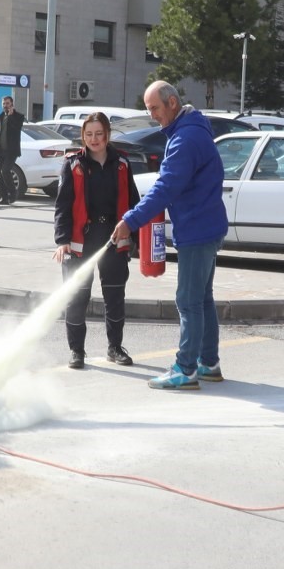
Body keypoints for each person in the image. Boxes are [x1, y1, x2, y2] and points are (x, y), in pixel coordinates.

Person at [112, 81, 228, 390]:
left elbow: (165, 188)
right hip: (208, 225)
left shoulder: (185, 140)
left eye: (155, 109)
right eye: (149, 109)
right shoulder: (193, 129)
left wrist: (130, 220)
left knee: (188, 301)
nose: (152, 116)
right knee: (202, 298)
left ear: (172, 103)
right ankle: (208, 362)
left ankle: (186, 369)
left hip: (197, 230)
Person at [52, 112, 141, 369]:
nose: (94, 139)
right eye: (89, 134)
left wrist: (134, 237)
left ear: (108, 135)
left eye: (99, 133)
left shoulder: (122, 163)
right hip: (81, 241)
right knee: (77, 297)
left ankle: (115, 348)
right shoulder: (72, 164)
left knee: (114, 296)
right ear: (83, 136)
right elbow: (62, 206)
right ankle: (76, 351)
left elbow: (133, 203)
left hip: (113, 239)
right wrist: (62, 240)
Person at [0, 94, 24, 205]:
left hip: (11, 151)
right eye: (3, 103)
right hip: (0, 150)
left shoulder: (18, 116)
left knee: (5, 171)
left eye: (7, 103)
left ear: (12, 104)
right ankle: (4, 198)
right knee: (0, 175)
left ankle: (13, 193)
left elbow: (17, 127)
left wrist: (11, 116)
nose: (5, 105)